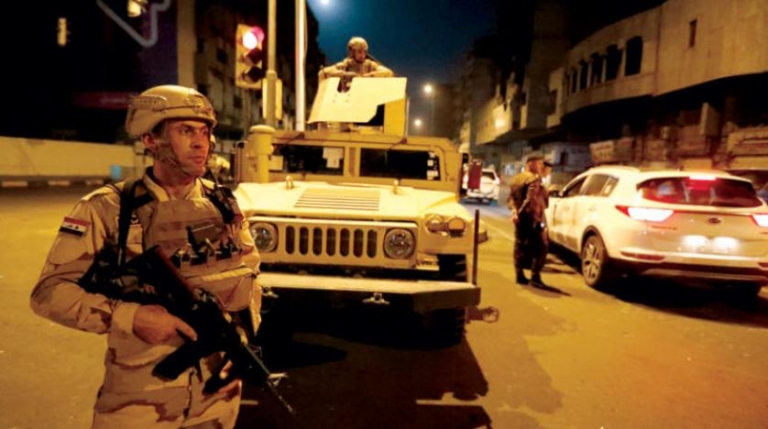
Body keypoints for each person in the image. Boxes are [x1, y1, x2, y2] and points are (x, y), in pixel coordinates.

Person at [30, 85, 262, 428]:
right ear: (151, 139)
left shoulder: (224, 203)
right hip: (140, 400)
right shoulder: (108, 209)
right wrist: (131, 316)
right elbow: (48, 293)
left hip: (217, 396)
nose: (201, 143)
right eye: (186, 131)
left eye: (205, 132)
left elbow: (250, 272)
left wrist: (239, 334)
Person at [507, 152, 549, 287]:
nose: (541, 166)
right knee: (540, 247)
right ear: (531, 164)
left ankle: (519, 275)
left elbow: (511, 198)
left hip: (520, 220)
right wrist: (532, 218)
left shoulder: (516, 178)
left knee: (519, 246)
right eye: (539, 163)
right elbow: (530, 200)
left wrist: (515, 212)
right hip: (532, 218)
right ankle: (535, 276)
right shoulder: (532, 179)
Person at [319, 36, 394, 83]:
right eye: (359, 52)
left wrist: (370, 75)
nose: (363, 55)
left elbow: (388, 72)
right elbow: (323, 73)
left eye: (364, 52)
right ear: (352, 53)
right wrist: (346, 75)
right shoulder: (345, 64)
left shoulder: (370, 65)